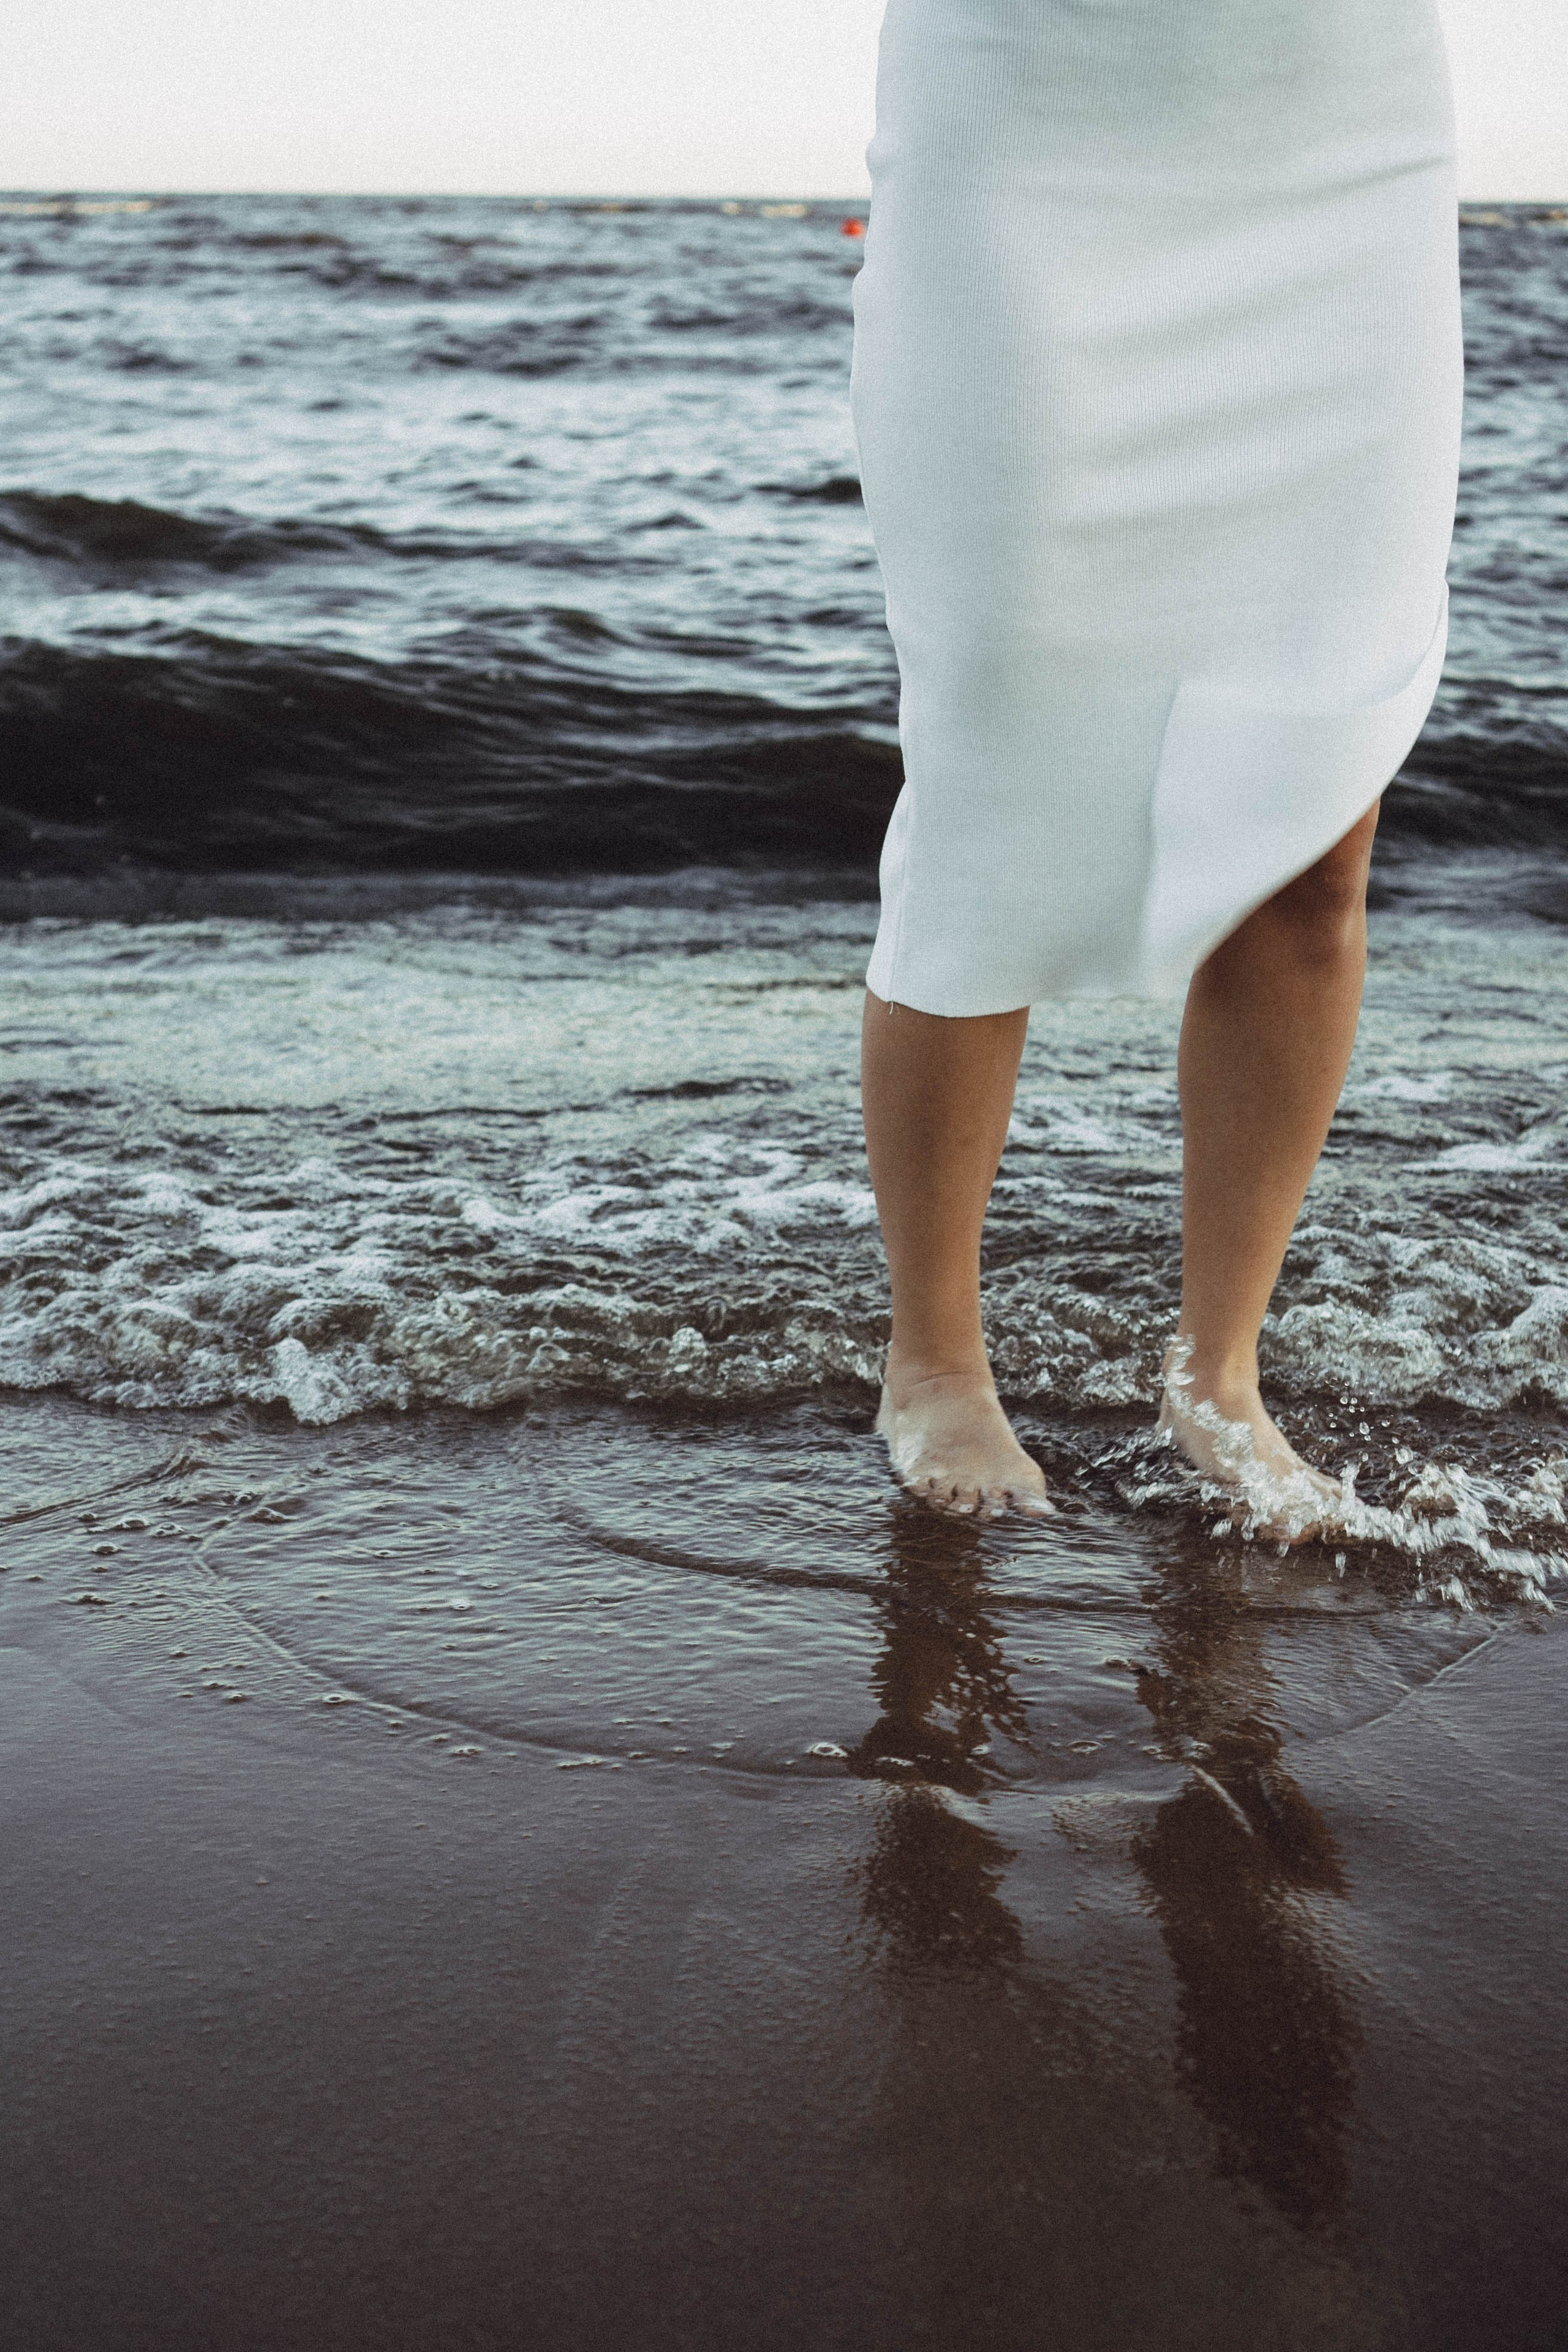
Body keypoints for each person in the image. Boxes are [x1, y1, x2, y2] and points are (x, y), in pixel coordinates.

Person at [848, 0, 1462, 1532]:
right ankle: (932, 1364)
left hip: (1338, 137)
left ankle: (1218, 1376)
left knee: (1313, 833)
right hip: (1028, 108)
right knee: (989, 777)